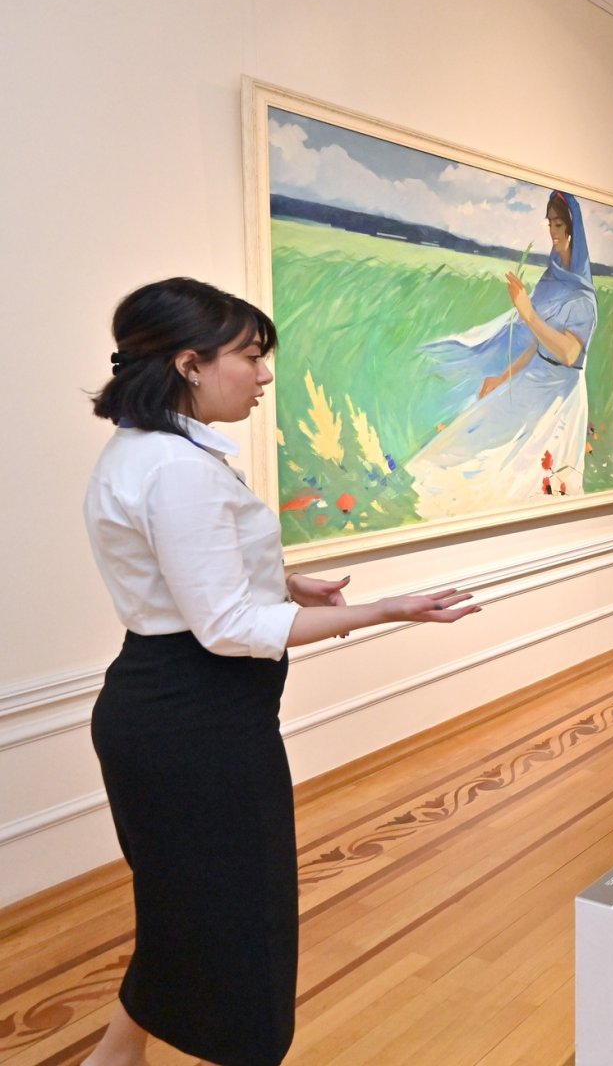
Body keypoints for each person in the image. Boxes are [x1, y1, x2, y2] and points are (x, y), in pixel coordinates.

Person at [83, 278, 480, 1066]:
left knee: (182, 906)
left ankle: (117, 1054)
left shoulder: (143, 450)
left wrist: (285, 583)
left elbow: (182, 574)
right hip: (197, 723)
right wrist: (385, 610)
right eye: (250, 356)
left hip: (164, 712)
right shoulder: (177, 467)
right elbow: (228, 626)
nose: (265, 375)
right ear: (190, 365)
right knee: (241, 920)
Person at [409, 190, 596, 517]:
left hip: (559, 395)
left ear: (572, 231)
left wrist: (527, 313)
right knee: (476, 437)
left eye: (559, 225)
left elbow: (568, 353)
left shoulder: (583, 298)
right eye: (550, 224)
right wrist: (502, 377)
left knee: (529, 473)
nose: (553, 233)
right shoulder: (550, 280)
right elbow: (537, 345)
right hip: (533, 376)